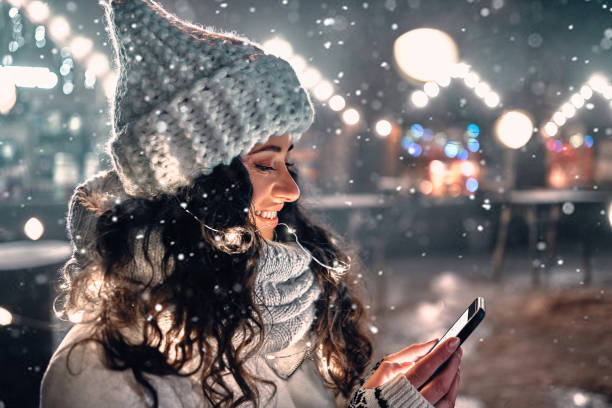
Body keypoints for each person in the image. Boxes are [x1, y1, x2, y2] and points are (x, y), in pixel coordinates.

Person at [40, 0, 462, 407]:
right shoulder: (100, 371)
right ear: (191, 185)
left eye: (287, 161)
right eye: (264, 165)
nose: (291, 189)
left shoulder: (277, 314)